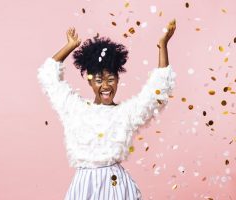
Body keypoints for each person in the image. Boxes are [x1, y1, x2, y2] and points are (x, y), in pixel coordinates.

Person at [37, 19, 177, 200]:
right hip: (84, 185)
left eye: (110, 79)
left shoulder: (125, 113)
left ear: (118, 80)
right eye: (98, 80)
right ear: (89, 81)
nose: (105, 86)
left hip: (115, 185)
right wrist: (70, 46)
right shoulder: (75, 109)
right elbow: (49, 77)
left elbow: (158, 92)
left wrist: (163, 45)